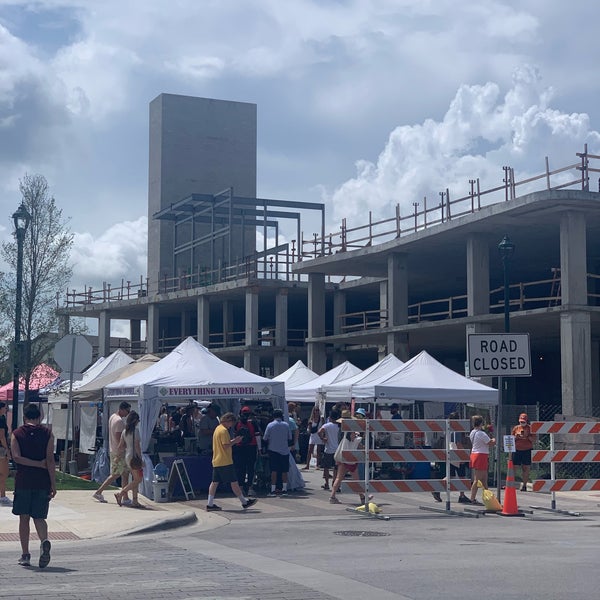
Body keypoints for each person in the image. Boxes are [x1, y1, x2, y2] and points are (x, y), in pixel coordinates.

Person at [11, 403, 55, 568]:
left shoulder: (17, 434)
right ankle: (44, 541)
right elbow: (50, 460)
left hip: (23, 481)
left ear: (24, 417)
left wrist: (34, 464)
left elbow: (16, 457)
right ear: (39, 417)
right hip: (42, 481)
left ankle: (25, 554)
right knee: (39, 517)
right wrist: (53, 483)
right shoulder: (48, 434)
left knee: (24, 517)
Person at [206, 412, 258, 511]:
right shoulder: (224, 431)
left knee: (214, 482)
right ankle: (244, 502)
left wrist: (233, 440)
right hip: (225, 460)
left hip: (217, 459)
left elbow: (223, 444)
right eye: (231, 423)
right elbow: (225, 445)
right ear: (228, 421)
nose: (232, 426)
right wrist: (235, 441)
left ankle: (210, 503)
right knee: (234, 482)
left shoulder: (218, 429)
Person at [92, 401, 132, 504]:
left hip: (114, 449)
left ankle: (125, 497)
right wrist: (123, 450)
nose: (128, 413)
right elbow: (119, 438)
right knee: (115, 474)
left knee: (124, 474)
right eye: (127, 411)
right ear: (122, 409)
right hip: (118, 451)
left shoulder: (112, 417)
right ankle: (99, 492)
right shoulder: (119, 421)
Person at [114, 411, 144, 508]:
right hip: (134, 457)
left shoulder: (124, 432)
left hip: (128, 456)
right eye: (138, 420)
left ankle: (135, 500)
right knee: (138, 479)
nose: (138, 422)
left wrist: (117, 457)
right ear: (135, 421)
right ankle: (121, 494)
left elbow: (120, 446)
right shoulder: (136, 431)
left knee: (135, 479)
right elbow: (137, 446)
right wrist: (141, 459)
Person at [262, 408, 294, 496]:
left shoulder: (270, 425)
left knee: (274, 470)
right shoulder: (286, 425)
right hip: (284, 451)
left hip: (273, 450)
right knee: (284, 470)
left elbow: (265, 438)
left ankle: (272, 490)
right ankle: (284, 489)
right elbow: (290, 438)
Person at [233, 406, 260, 496]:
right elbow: (258, 436)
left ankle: (240, 488)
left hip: (239, 447)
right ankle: (250, 488)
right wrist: (260, 449)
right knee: (251, 468)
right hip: (251, 447)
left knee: (240, 468)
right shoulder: (253, 423)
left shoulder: (237, 423)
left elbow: (234, 435)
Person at [469, 415, 495, 504]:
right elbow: (490, 443)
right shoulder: (481, 433)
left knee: (484, 478)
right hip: (481, 455)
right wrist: (493, 439)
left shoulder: (473, 432)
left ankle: (487, 497)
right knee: (477, 479)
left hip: (475, 454)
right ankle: (472, 498)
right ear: (481, 423)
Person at [318, 408, 341, 490]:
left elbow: (319, 431)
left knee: (326, 467)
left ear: (330, 417)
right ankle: (334, 483)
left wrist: (323, 438)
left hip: (328, 449)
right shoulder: (339, 426)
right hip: (337, 449)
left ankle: (326, 483)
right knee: (336, 468)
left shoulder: (327, 425)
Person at [512, 413, 535, 491]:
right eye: (521, 422)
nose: (522, 423)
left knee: (526, 467)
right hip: (517, 449)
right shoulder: (516, 428)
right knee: (514, 467)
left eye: (523, 422)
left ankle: (524, 485)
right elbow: (511, 439)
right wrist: (516, 437)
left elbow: (533, 440)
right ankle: (511, 484)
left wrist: (527, 436)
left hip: (527, 450)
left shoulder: (530, 428)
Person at [303, 405, 323, 470]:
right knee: (309, 450)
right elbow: (309, 428)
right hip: (313, 435)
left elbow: (323, 426)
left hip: (319, 435)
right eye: (315, 410)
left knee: (318, 450)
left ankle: (317, 465)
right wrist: (309, 428)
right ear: (313, 411)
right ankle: (307, 464)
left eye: (317, 410)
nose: (316, 412)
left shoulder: (321, 419)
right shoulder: (311, 419)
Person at [0, 402, 12, 506]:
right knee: (3, 473)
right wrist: (7, 450)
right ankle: (2, 496)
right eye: (5, 408)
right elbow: (2, 436)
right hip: (1, 449)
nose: (6, 409)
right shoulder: (1, 419)